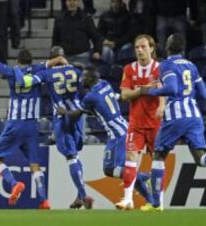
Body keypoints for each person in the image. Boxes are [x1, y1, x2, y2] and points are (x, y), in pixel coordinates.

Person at [137, 33, 206, 212]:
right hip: (194, 116)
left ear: (169, 46)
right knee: (200, 158)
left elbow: (171, 88)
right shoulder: (191, 65)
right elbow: (203, 93)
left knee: (158, 157)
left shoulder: (166, 65)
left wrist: (148, 92)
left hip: (175, 117)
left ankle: (156, 204)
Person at [0, 29, 67, 209]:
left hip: (15, 124)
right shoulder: (38, 69)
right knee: (35, 165)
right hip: (33, 126)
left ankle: (13, 184)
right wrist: (63, 62)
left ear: (18, 62)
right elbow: (57, 60)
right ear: (31, 62)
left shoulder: (11, 72)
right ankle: (44, 200)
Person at [57, 67, 154, 209]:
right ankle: (151, 200)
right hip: (125, 128)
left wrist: (63, 111)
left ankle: (144, 176)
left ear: (90, 78)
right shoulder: (105, 83)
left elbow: (76, 114)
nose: (80, 79)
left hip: (117, 135)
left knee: (109, 169)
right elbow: (116, 97)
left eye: (83, 76)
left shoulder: (90, 97)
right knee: (124, 169)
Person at [17, 46, 94, 209]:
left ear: (51, 59)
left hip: (62, 116)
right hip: (78, 115)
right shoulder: (76, 71)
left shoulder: (47, 73)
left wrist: (18, 73)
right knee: (76, 156)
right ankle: (80, 195)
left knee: (71, 157)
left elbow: (27, 82)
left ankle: (83, 194)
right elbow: (89, 83)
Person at [116, 34, 164, 209]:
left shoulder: (160, 69)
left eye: (143, 47)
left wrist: (160, 105)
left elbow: (164, 92)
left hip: (155, 124)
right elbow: (124, 94)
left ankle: (159, 203)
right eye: (137, 47)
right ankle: (128, 199)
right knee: (130, 157)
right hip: (136, 123)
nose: (139, 50)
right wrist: (143, 90)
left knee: (157, 162)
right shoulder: (129, 69)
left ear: (152, 48)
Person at [52, 0, 102, 65]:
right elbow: (55, 39)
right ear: (65, 2)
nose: (72, 3)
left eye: (74, 0)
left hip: (82, 56)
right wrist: (54, 55)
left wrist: (97, 51)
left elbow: (96, 37)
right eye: (69, 0)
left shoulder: (86, 19)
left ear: (78, 2)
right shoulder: (59, 19)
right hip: (64, 57)